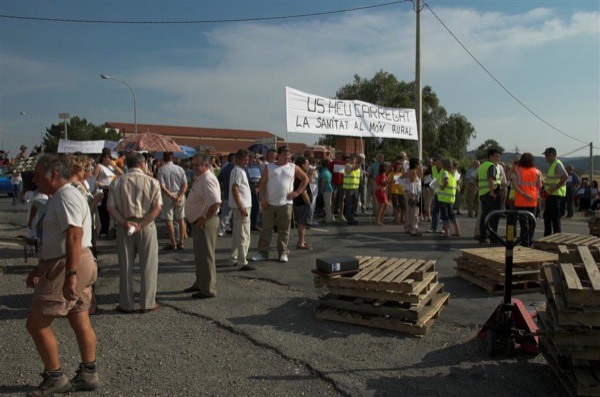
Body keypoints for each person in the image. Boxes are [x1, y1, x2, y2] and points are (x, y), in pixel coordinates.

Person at [25, 154, 99, 396]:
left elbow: (74, 235)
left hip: (69, 264)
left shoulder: (66, 196)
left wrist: (70, 274)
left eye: (38, 175)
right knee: (79, 318)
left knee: (36, 324)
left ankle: (55, 377)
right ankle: (88, 373)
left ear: (54, 175)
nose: (34, 180)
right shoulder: (62, 196)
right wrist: (40, 268)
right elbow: (61, 238)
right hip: (74, 262)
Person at [107, 153, 162, 313]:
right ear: (143, 163)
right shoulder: (153, 182)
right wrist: (142, 224)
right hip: (146, 225)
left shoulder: (117, 182)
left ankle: (126, 304)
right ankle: (147, 303)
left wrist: (124, 222)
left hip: (124, 225)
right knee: (149, 265)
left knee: (125, 266)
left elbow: (110, 207)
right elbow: (157, 207)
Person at [252, 145, 309, 263]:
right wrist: (262, 199)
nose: (287, 157)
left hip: (286, 203)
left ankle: (283, 252)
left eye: (288, 154)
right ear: (278, 155)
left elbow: (305, 179)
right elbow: (262, 184)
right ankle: (262, 253)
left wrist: (297, 192)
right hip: (269, 203)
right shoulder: (269, 167)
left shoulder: (293, 167)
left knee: (284, 230)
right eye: (284, 154)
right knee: (266, 229)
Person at [184, 153, 221, 298]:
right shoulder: (201, 179)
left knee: (206, 256)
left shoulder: (207, 179)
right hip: (200, 222)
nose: (194, 168)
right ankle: (201, 282)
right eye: (193, 165)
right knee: (200, 255)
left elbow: (216, 203)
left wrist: (204, 218)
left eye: (197, 165)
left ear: (206, 166)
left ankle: (208, 288)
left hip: (205, 222)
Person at [156, 152, 188, 250]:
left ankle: (173, 242)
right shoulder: (180, 169)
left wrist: (171, 196)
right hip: (179, 193)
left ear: (163, 159)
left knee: (169, 219)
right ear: (172, 158)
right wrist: (179, 196)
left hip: (167, 195)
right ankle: (181, 242)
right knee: (180, 218)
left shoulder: (161, 169)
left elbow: (162, 185)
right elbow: (185, 184)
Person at [229, 149, 254, 271]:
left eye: (247, 159)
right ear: (237, 160)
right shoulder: (238, 171)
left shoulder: (238, 170)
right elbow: (235, 188)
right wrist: (241, 206)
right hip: (241, 207)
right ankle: (242, 261)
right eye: (244, 159)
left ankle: (234, 258)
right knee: (244, 235)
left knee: (237, 234)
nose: (246, 161)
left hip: (240, 206)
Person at [511, 153, 542, 247]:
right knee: (532, 221)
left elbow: (515, 185)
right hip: (533, 200)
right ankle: (531, 241)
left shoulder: (516, 170)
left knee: (523, 223)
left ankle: (525, 242)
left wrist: (523, 194)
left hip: (521, 200)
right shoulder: (537, 172)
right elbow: (539, 186)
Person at [93, 148, 123, 237]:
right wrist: (101, 184)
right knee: (103, 211)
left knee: (111, 209)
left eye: (108, 157)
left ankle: (109, 229)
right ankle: (103, 230)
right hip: (103, 190)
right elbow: (93, 180)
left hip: (112, 190)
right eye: (105, 157)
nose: (107, 159)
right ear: (102, 158)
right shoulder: (99, 166)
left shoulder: (111, 167)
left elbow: (121, 173)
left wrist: (114, 166)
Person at [478, 148, 503, 244]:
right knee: (494, 216)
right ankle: (493, 238)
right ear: (490, 156)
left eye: (499, 156)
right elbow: (490, 179)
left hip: (483, 193)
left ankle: (483, 238)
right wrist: (492, 192)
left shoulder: (482, 166)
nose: (498, 158)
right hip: (491, 193)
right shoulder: (491, 166)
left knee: (484, 216)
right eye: (496, 156)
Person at [542, 147, 567, 236]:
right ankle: (547, 237)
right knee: (547, 217)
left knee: (555, 217)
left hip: (556, 194)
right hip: (550, 194)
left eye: (548, 155)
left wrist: (556, 187)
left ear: (554, 155)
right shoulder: (552, 164)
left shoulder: (557, 164)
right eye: (545, 155)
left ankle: (557, 237)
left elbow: (565, 176)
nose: (546, 157)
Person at [293, 156, 313, 249]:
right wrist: (308, 203)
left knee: (302, 223)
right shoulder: (300, 177)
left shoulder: (298, 174)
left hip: (297, 202)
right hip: (302, 203)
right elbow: (304, 192)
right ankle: (300, 242)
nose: (308, 166)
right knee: (302, 224)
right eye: (307, 164)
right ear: (302, 165)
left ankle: (302, 240)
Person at [438, 158, 460, 237]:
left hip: (443, 198)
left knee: (445, 215)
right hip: (451, 198)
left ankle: (446, 232)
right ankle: (457, 230)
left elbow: (446, 181)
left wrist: (442, 187)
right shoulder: (452, 174)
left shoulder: (445, 172)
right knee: (452, 215)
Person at [217, 153, 235, 236]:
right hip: (234, 194)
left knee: (226, 212)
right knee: (229, 212)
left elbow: (219, 179)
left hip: (227, 193)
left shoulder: (225, 168)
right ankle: (223, 229)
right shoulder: (235, 169)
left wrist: (222, 187)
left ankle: (224, 228)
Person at [404, 158, 422, 236]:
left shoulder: (408, 171)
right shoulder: (413, 172)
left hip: (408, 192)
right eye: (418, 164)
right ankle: (414, 228)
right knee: (415, 211)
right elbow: (413, 184)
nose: (419, 165)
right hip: (413, 193)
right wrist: (413, 195)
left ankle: (407, 227)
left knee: (409, 211)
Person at [343, 155, 362, 225]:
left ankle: (352, 217)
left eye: (353, 159)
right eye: (351, 159)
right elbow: (353, 169)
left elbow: (359, 177)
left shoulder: (358, 167)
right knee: (349, 204)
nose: (352, 160)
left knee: (354, 204)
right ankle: (350, 219)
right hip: (349, 188)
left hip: (356, 187)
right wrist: (361, 162)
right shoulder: (347, 166)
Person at [427, 154, 443, 233]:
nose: (434, 162)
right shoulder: (433, 169)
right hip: (437, 191)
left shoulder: (444, 169)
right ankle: (434, 227)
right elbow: (434, 179)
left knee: (444, 211)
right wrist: (431, 188)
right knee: (435, 210)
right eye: (433, 160)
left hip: (444, 192)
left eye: (435, 160)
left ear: (440, 160)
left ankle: (445, 228)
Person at [319, 159, 334, 223]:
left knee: (327, 204)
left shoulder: (323, 172)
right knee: (329, 203)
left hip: (326, 189)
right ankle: (330, 217)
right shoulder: (328, 171)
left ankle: (328, 218)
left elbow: (323, 181)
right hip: (330, 188)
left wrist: (321, 189)